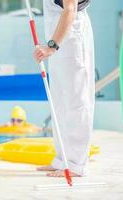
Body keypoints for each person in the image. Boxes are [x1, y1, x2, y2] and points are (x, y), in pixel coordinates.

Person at [34, 0, 95, 177]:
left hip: (72, 35)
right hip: (60, 35)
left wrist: (51, 46)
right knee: (60, 102)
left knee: (76, 102)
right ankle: (62, 160)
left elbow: (70, 9)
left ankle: (77, 164)